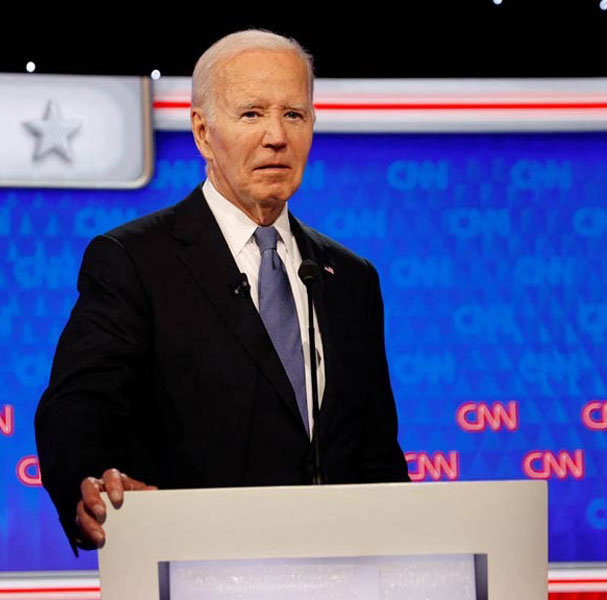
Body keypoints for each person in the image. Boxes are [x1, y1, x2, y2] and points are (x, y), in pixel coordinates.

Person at [34, 29, 410, 556]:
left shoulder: (349, 277)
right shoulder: (135, 260)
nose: (277, 136)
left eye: (294, 115)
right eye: (252, 114)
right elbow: (78, 404)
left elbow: (376, 454)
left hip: (343, 572)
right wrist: (89, 480)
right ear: (203, 132)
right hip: (195, 567)